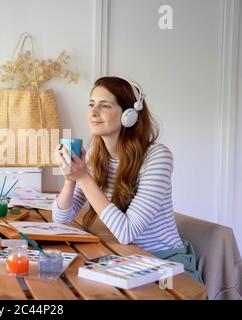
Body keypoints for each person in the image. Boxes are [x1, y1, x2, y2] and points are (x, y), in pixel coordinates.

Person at [52, 76, 203, 282]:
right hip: (126, 260)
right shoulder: (96, 154)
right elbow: (61, 219)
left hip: (165, 265)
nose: (93, 113)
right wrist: (70, 179)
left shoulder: (157, 157)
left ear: (129, 116)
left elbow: (127, 232)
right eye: (91, 104)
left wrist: (84, 177)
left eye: (104, 106)